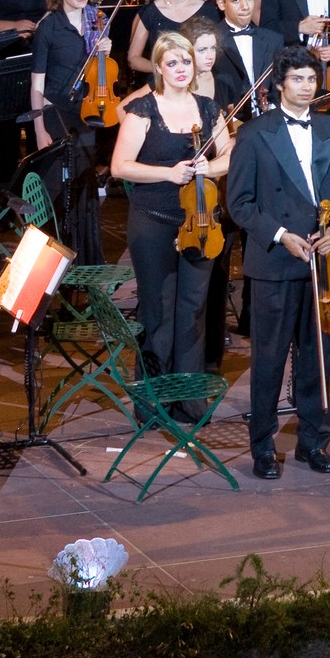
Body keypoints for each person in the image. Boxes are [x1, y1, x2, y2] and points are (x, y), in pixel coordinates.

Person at [227, 45, 330, 478]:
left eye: (311, 79)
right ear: (280, 85)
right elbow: (239, 204)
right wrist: (282, 236)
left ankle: (313, 441)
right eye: (297, 79)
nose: (305, 86)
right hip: (275, 263)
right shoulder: (253, 134)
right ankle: (263, 446)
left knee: (317, 356)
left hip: (321, 261)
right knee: (269, 358)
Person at [110, 33, 231, 405]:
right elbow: (120, 167)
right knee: (157, 309)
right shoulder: (143, 109)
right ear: (159, 68)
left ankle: (189, 401)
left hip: (201, 221)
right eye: (172, 62)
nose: (181, 69)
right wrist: (168, 173)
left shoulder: (208, 108)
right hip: (153, 220)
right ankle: (153, 400)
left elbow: (229, 154)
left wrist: (210, 167)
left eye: (186, 61)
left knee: (193, 309)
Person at [31, 0, 111, 257]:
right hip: (55, 113)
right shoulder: (49, 27)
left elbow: (102, 73)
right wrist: (39, 129)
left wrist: (105, 52)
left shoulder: (98, 22)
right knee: (57, 188)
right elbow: (37, 85)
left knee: (84, 186)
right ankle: (54, 259)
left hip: (87, 112)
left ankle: (85, 257)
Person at [212, 0, 281, 116]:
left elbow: (278, 89)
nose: (245, 6)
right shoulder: (210, 42)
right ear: (221, 3)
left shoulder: (273, 40)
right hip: (227, 123)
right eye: (236, 0)